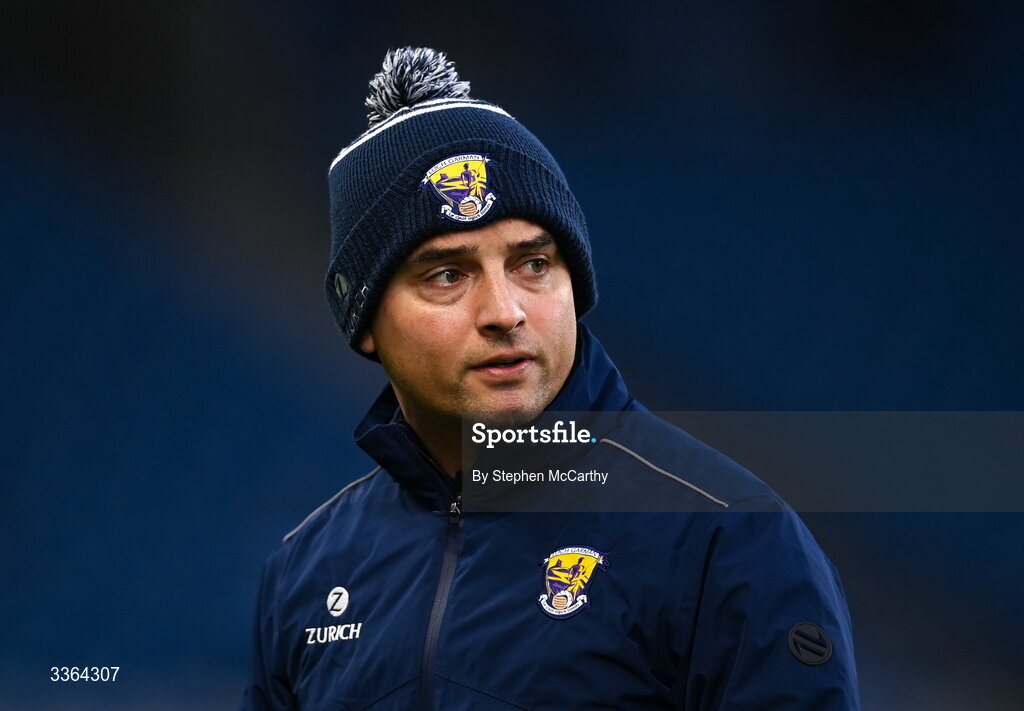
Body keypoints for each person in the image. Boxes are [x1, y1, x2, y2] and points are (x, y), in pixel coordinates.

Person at [240, 47, 860, 710]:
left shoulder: (728, 539)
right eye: (448, 274)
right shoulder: (306, 573)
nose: (505, 311)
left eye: (533, 264)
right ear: (364, 319)